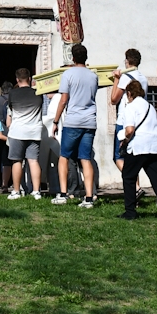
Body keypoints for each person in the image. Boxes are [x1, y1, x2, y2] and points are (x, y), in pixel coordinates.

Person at [119, 80, 157, 227]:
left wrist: (124, 140)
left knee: (128, 176)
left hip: (139, 147)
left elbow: (130, 130)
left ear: (129, 93)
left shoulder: (130, 107)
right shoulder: (150, 106)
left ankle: (130, 211)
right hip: (155, 146)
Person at [51, 43, 100, 208]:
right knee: (85, 158)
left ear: (72, 57)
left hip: (73, 121)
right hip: (90, 121)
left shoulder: (68, 74)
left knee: (64, 156)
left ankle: (63, 194)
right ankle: (88, 197)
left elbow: (64, 99)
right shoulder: (93, 76)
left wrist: (56, 121)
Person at [6, 69, 44, 200]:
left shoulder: (12, 94)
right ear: (30, 79)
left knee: (17, 161)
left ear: (17, 80)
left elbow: (11, 109)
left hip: (17, 131)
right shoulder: (38, 93)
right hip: (34, 131)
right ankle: (36, 191)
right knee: (33, 161)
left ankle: (16, 191)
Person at [110, 49, 149, 173]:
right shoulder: (143, 78)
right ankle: (136, 185)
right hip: (138, 121)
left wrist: (116, 79)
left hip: (124, 120)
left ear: (127, 61)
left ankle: (133, 182)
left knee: (118, 156)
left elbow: (114, 99)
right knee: (130, 156)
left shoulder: (125, 77)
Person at [56, 0, 84, 65]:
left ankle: (68, 61)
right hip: (75, 26)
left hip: (66, 26)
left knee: (67, 44)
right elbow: (79, 10)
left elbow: (57, 14)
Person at [0, 82, 13, 190]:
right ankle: (6, 183)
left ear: (1, 90)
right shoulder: (13, 99)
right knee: (8, 160)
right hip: (8, 133)